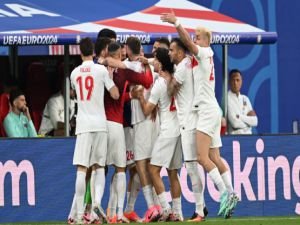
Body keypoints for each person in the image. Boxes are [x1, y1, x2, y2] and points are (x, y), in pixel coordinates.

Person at [161, 12, 238, 218]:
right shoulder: (196, 59)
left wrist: (177, 23)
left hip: (204, 112)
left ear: (206, 40)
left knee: (202, 159)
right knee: (214, 157)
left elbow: (186, 43)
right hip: (210, 109)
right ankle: (231, 192)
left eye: (198, 36)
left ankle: (225, 195)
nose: (194, 39)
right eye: (194, 36)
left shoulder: (204, 52)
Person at [69, 37, 119, 224]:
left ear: (80, 52)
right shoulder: (100, 70)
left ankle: (80, 213)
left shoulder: (74, 74)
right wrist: (111, 79)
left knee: (82, 169)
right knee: (99, 167)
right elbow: (114, 94)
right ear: (93, 51)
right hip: (100, 124)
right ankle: (97, 202)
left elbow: (76, 93)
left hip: (83, 125)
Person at [103, 42, 153, 223]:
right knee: (120, 168)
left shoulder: (103, 66)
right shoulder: (120, 69)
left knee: (132, 169)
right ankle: (112, 211)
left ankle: (127, 209)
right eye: (121, 52)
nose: (123, 53)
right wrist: (131, 95)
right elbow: (146, 81)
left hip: (125, 125)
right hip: (120, 125)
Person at [133, 48, 183, 222]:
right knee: (173, 173)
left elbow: (147, 110)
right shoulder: (175, 79)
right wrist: (146, 60)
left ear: (160, 63)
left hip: (167, 131)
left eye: (154, 58)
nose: (152, 60)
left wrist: (140, 96)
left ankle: (166, 209)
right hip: (179, 131)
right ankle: (178, 212)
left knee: (153, 170)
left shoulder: (160, 83)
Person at [168, 38, 207, 221]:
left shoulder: (183, 68)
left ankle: (200, 209)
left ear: (181, 52)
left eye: (172, 50)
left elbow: (170, 90)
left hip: (188, 122)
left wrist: (167, 79)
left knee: (192, 168)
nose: (169, 53)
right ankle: (201, 207)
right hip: (191, 120)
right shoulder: (187, 63)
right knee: (193, 167)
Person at [227, 69, 258, 134]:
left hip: (249, 136)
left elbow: (255, 121)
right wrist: (249, 124)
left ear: (241, 82)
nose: (235, 83)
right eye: (233, 80)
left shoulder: (245, 98)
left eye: (237, 80)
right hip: (235, 138)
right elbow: (235, 123)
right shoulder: (227, 98)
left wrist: (240, 117)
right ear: (229, 82)